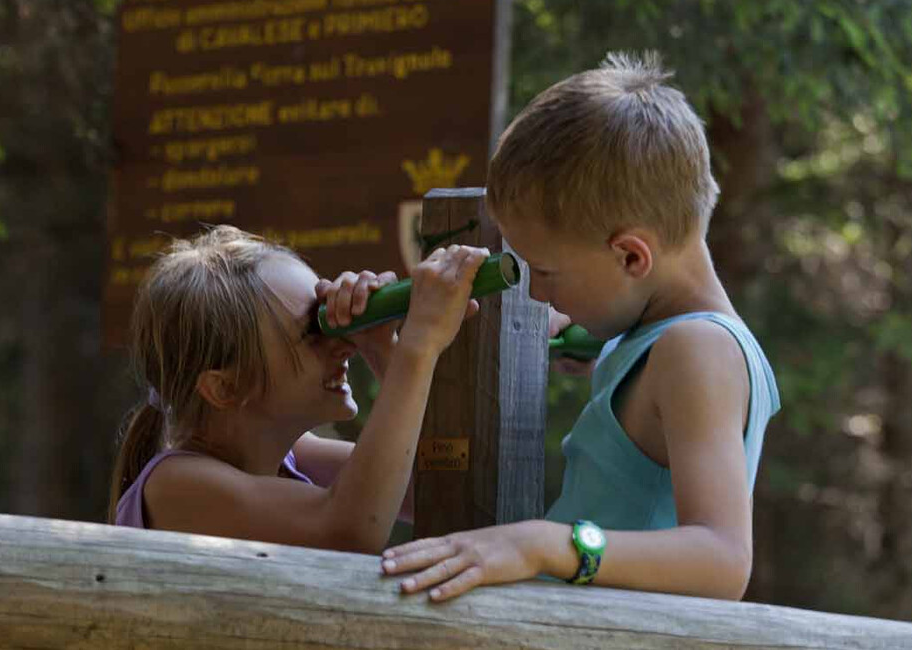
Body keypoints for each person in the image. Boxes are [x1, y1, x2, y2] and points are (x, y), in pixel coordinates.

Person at [380, 51, 781, 600]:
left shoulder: (697, 350)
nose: (537, 294)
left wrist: (545, 544)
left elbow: (721, 560)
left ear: (632, 257)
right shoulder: (655, 340)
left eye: (544, 272)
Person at [108, 225, 488, 554]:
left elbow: (446, 492)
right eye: (314, 333)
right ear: (224, 387)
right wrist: (417, 347)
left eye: (331, 321)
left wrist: (382, 349)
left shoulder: (293, 458)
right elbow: (349, 532)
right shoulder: (174, 486)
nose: (345, 344)